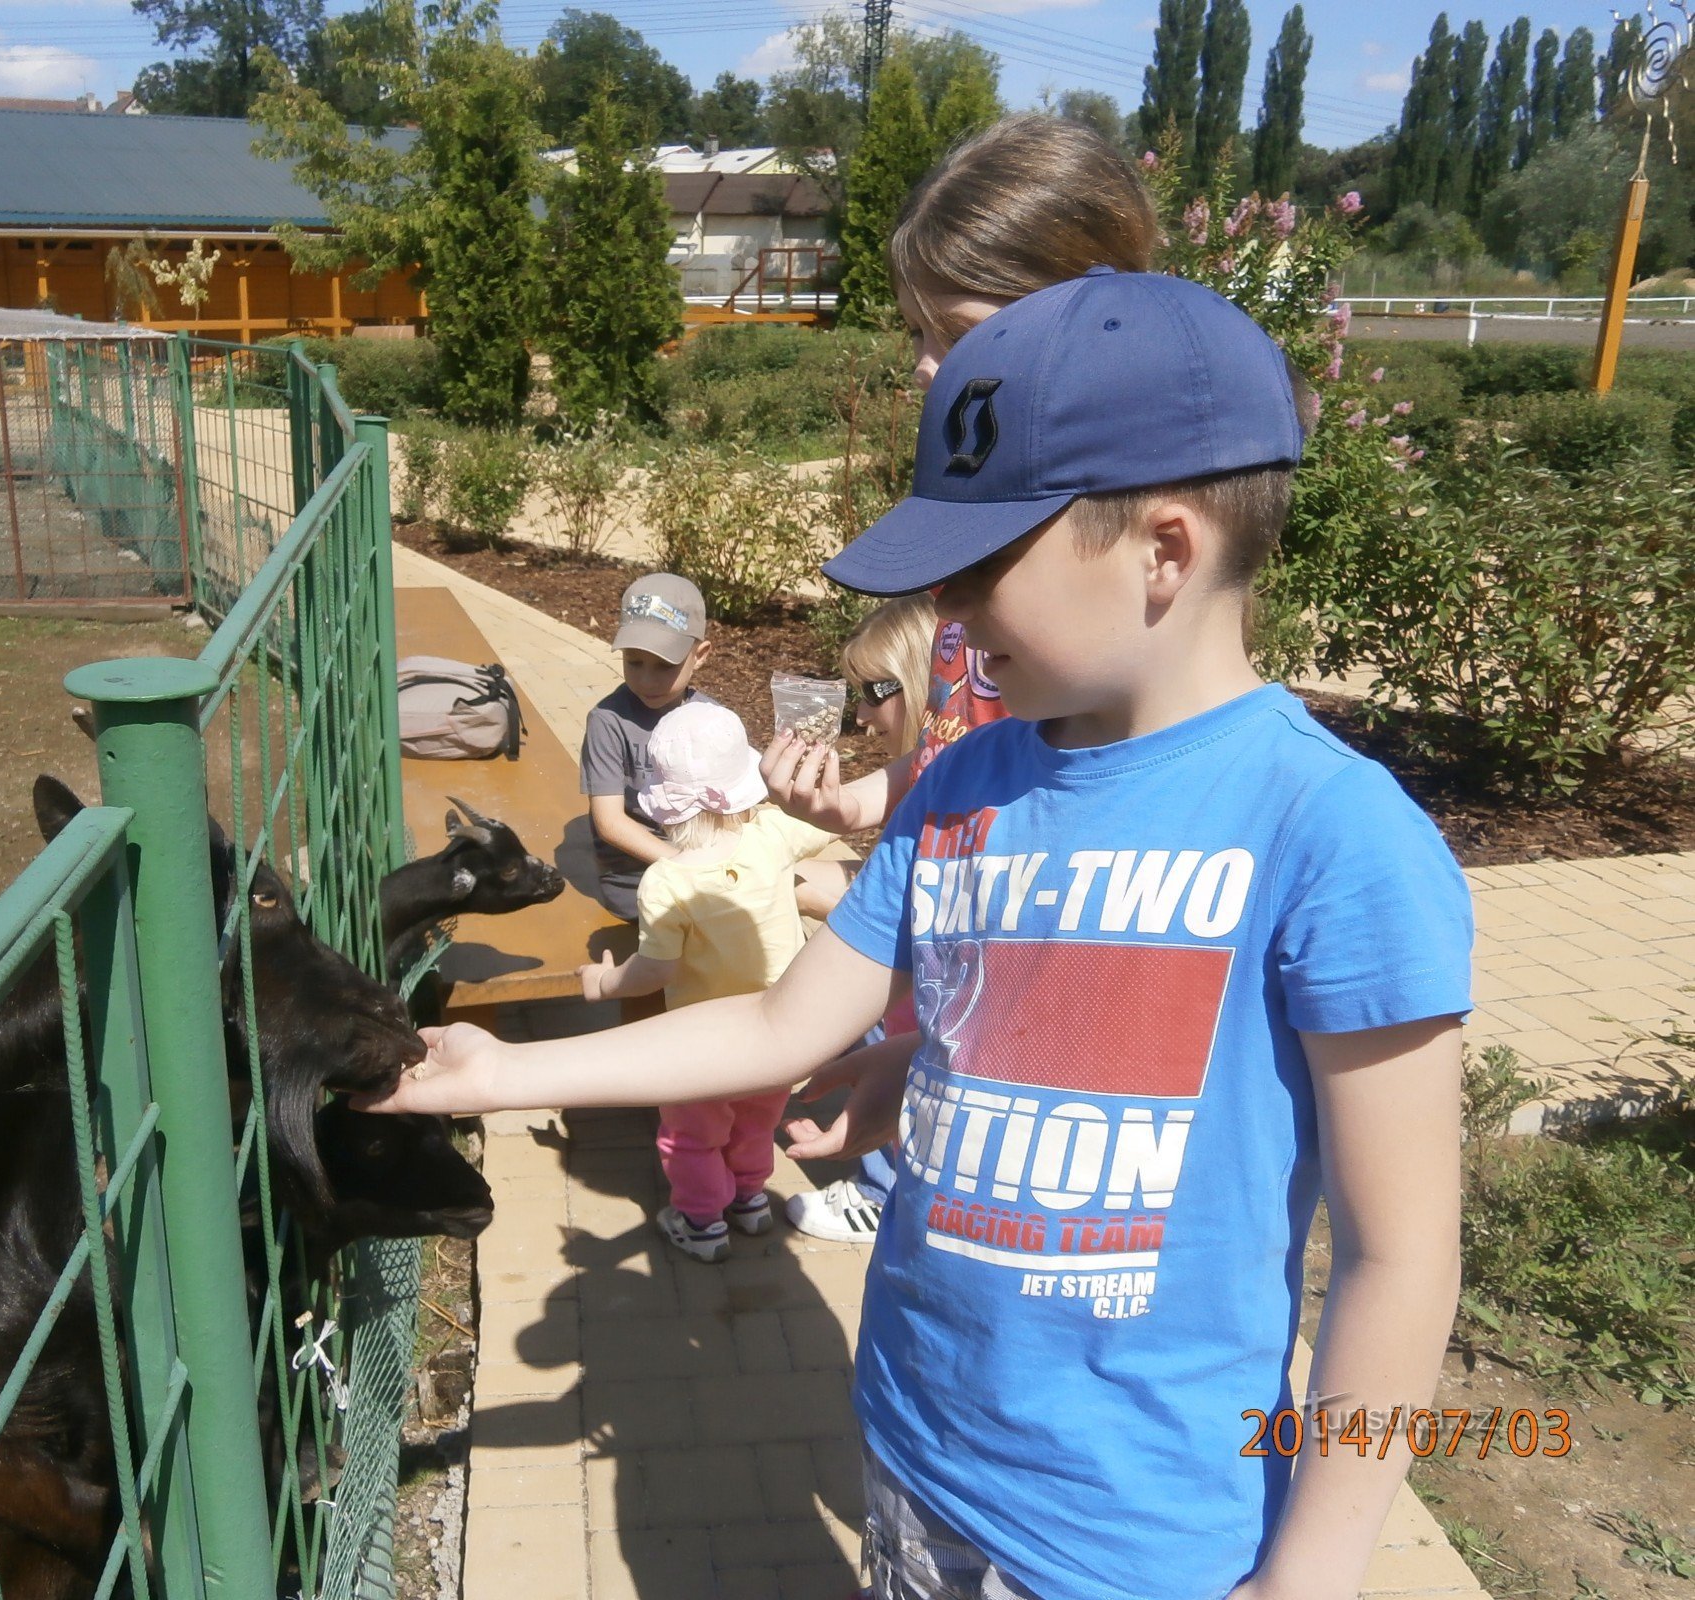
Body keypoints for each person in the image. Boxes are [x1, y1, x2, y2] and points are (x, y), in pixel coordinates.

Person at [370, 271, 1473, 1600]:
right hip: (914, 1450)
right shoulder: (962, 789)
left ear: (1164, 553)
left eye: (981, 566)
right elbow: (786, 1020)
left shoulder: (1335, 839)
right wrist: (498, 1075)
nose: (947, 613)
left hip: (1135, 1543)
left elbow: (1399, 1254)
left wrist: (1318, 1567)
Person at [776, 113, 1161, 1246]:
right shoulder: (972, 607)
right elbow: (949, 775)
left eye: (951, 330)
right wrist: (850, 808)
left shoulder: (1086, 605)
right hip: (951, 1010)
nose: (925, 368)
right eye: (915, 332)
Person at [575, 700, 832, 1263]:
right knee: (757, 1122)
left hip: (702, 1045)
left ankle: (701, 1221)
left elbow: (654, 972)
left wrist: (604, 983)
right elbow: (823, 820)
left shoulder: (667, 880)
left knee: (692, 1134)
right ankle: (749, 1200)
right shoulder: (771, 835)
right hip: (775, 1034)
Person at [786, 594, 938, 1245]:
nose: (864, 714)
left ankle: (880, 1194)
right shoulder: (930, 755)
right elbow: (849, 812)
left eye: (876, 691)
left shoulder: (964, 755)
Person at [580, 572, 717, 922]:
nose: (646, 680)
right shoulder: (608, 721)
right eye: (634, 662)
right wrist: (688, 866)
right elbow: (610, 823)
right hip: (635, 874)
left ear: (700, 655)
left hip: (702, 858)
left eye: (664, 665)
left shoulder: (713, 718)